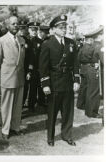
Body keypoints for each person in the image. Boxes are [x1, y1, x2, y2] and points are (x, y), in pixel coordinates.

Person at [39, 15, 80, 146]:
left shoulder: (71, 43)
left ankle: (67, 135)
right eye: (61, 27)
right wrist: (45, 84)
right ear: (53, 29)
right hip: (54, 83)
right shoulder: (47, 44)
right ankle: (50, 137)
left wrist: (76, 80)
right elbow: (43, 66)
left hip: (68, 82)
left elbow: (75, 63)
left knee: (68, 111)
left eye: (65, 27)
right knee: (52, 112)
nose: (64, 30)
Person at [0, 15, 25, 140]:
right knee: (6, 105)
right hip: (7, 77)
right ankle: (5, 130)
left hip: (20, 77)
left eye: (17, 24)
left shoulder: (22, 40)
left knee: (17, 105)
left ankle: (15, 127)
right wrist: (1, 74)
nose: (15, 26)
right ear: (7, 26)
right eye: (13, 24)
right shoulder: (0, 41)